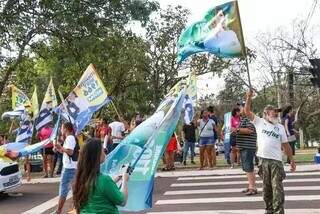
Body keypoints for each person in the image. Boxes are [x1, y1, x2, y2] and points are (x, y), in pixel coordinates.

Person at [244, 89, 296, 214]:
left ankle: (279, 211)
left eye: (277, 112)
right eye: (274, 112)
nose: (276, 114)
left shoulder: (280, 127)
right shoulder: (259, 122)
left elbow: (286, 145)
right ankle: (269, 210)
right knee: (267, 189)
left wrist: (292, 160)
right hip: (263, 160)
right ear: (266, 114)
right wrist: (248, 97)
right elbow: (246, 111)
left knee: (277, 188)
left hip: (276, 162)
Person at [73, 138, 129, 214]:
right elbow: (122, 201)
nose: (105, 151)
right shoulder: (104, 180)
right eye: (103, 149)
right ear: (96, 155)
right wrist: (125, 180)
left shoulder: (80, 178)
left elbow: (97, 189)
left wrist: (114, 180)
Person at [54, 122, 78, 214]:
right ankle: (77, 208)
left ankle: (58, 211)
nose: (60, 129)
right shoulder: (70, 138)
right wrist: (59, 149)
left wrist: (61, 147)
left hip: (69, 168)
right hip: (71, 166)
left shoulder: (70, 138)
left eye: (62, 128)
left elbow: (70, 152)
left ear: (66, 129)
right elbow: (67, 152)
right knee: (74, 188)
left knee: (63, 189)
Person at [235, 103, 258, 195]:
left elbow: (250, 130)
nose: (239, 110)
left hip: (248, 146)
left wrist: (236, 130)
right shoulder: (243, 119)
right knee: (247, 167)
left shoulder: (249, 118)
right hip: (244, 146)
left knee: (249, 167)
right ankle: (250, 186)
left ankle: (253, 187)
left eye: (240, 108)